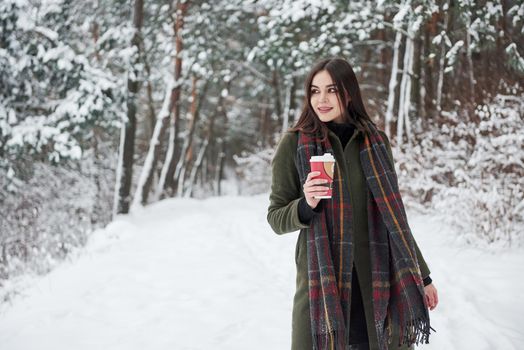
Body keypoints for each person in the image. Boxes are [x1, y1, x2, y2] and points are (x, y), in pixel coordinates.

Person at [266, 57, 438, 350]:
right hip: (322, 286)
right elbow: (276, 217)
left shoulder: (375, 142)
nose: (321, 99)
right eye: (314, 91)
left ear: (348, 92)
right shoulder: (294, 144)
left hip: (377, 283)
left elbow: (395, 218)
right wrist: (306, 204)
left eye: (331, 90)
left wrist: (423, 275)